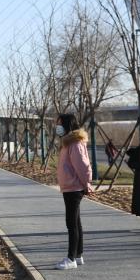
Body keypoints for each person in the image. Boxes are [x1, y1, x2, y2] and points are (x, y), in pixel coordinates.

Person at [55, 113, 92, 270]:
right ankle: (78, 255)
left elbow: (83, 167)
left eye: (59, 124)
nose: (57, 127)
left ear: (67, 124)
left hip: (74, 188)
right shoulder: (68, 142)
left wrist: (86, 184)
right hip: (70, 187)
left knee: (71, 223)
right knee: (75, 221)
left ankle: (71, 259)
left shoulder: (74, 143)